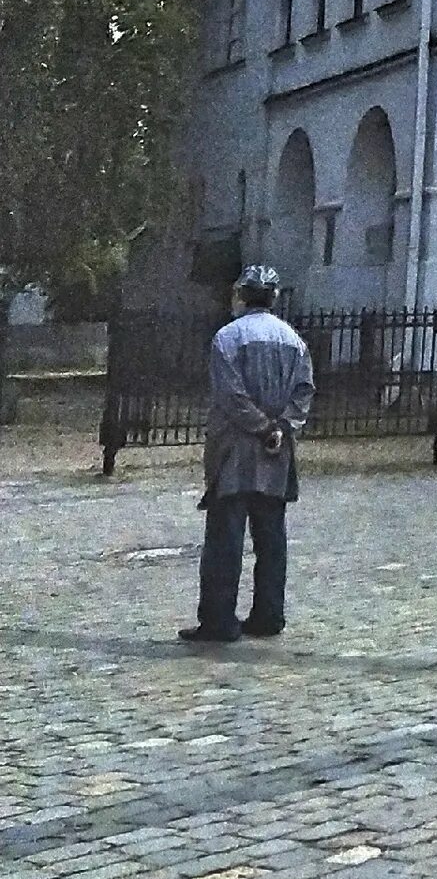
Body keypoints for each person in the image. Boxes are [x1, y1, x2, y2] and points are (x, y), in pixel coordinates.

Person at [180, 267, 314, 644]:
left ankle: (220, 620)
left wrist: (261, 426)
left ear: (242, 295)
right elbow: (304, 392)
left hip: (234, 450)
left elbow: (231, 396)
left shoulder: (227, 338)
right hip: (275, 452)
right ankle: (269, 614)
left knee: (226, 537)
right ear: (273, 297)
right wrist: (281, 427)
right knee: (272, 538)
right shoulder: (294, 341)